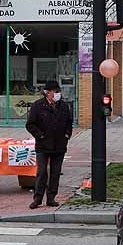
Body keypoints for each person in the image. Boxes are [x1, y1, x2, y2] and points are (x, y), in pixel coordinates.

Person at [25, 80, 73, 209]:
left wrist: (67, 135)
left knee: (55, 172)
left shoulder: (63, 106)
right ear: (48, 93)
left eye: (59, 91)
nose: (58, 93)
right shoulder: (38, 106)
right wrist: (40, 136)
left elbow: (69, 122)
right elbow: (30, 124)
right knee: (42, 172)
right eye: (55, 91)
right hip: (43, 145)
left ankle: (51, 198)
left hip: (59, 145)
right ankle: (37, 199)